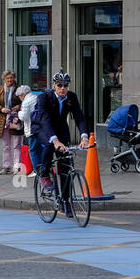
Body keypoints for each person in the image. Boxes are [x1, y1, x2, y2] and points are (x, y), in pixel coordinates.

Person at [30, 70, 90, 207]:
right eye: (59, 85)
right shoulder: (44, 97)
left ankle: (65, 201)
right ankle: (44, 173)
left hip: (61, 128)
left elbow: (79, 117)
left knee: (66, 168)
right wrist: (55, 140)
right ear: (54, 86)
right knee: (50, 144)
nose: (63, 88)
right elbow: (45, 120)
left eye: (65, 85)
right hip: (41, 127)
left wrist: (84, 137)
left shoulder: (71, 97)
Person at [0, 70, 23, 175]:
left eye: (11, 78)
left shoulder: (19, 89)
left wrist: (19, 106)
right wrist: (1, 109)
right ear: (4, 79)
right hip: (4, 120)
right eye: (7, 78)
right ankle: (6, 166)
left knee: (17, 144)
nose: (10, 80)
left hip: (15, 119)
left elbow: (24, 101)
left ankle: (17, 166)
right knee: (6, 145)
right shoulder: (0, 90)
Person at [18, 84, 40, 177]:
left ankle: (36, 170)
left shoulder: (26, 102)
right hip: (40, 128)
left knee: (33, 150)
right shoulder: (36, 97)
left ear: (23, 94)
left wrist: (19, 113)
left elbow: (24, 117)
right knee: (40, 149)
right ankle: (43, 168)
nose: (19, 98)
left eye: (19, 96)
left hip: (31, 128)